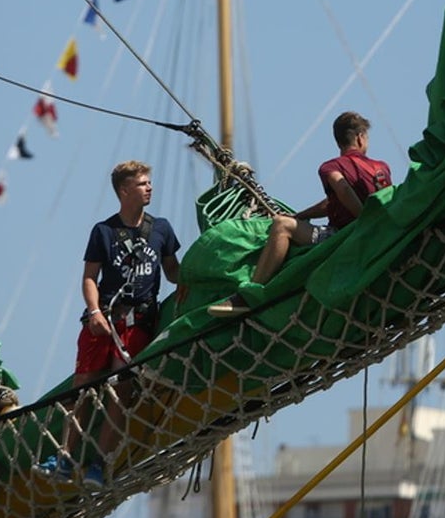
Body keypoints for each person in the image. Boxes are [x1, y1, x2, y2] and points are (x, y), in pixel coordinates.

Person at [34, 160, 181, 488]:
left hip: (138, 320)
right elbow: (89, 277)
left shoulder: (162, 229)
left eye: (149, 182)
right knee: (82, 391)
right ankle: (65, 457)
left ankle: (97, 464)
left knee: (120, 391)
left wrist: (194, 278)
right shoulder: (103, 231)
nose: (149, 187)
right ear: (125, 190)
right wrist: (94, 310)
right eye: (142, 183)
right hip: (104, 317)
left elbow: (173, 270)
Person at [209, 111, 391, 317]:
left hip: (340, 234)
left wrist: (362, 220)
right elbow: (341, 199)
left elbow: (344, 190)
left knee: (281, 225)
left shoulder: (331, 167)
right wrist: (300, 216)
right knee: (289, 221)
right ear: (360, 137)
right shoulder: (380, 168)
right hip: (381, 231)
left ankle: (249, 296)